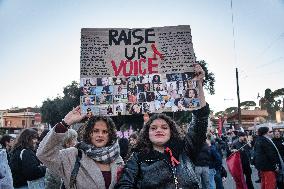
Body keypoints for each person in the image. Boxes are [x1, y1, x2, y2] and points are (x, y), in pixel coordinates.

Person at [115, 64, 209, 189]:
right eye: (153, 128)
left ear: (172, 132)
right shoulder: (137, 158)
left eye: (164, 127)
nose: (159, 130)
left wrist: (198, 85)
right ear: (146, 133)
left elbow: (200, 118)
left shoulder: (185, 151)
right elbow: (124, 186)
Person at [37, 108, 124, 189]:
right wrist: (65, 123)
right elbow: (44, 154)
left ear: (110, 135)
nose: (100, 135)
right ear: (89, 133)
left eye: (105, 131)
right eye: (96, 131)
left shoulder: (116, 158)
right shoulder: (72, 155)